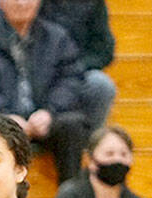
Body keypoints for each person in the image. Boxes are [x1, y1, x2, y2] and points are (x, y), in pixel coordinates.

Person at [0, 0, 89, 182]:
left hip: (44, 119)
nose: (22, 3)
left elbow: (71, 77)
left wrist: (49, 112)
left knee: (72, 124)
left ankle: (69, 197)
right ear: (0, 3)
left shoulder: (57, 38)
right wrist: (3, 114)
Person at [39, 0, 115, 130]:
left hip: (76, 70)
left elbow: (104, 50)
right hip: (35, 69)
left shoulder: (93, 2)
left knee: (100, 84)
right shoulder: (26, 4)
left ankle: (92, 144)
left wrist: (75, 68)